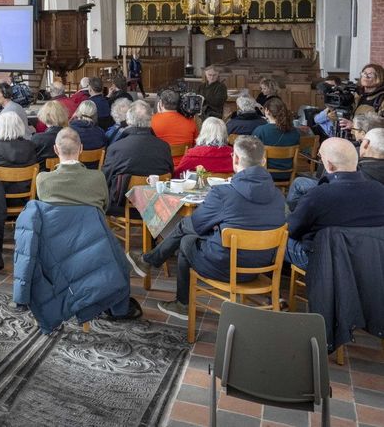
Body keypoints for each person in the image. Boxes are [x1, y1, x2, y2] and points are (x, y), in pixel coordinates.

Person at [125, 136, 286, 319]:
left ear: (235, 159)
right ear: (263, 160)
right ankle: (151, 262)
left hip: (225, 267)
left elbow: (195, 225)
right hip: (264, 266)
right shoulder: (279, 196)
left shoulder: (223, 193)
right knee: (191, 231)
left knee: (186, 238)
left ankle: (181, 301)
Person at [284, 137, 384, 270]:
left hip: (324, 262)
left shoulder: (318, 195)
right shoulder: (379, 189)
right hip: (369, 261)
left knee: (277, 238)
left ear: (329, 165)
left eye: (320, 156)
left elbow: (291, 230)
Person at [101, 101, 174, 214]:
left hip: (121, 208)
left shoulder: (116, 148)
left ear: (128, 120)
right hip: (157, 208)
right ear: (150, 120)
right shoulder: (164, 147)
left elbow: (105, 179)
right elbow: (170, 174)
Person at [36, 128, 109, 212]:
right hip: (89, 224)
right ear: (81, 148)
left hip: (56, 225)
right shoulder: (98, 178)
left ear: (55, 150)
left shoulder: (43, 179)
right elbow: (105, 207)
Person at [252, 97, 299, 181]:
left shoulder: (260, 130)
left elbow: (252, 154)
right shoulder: (295, 132)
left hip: (265, 174)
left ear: (267, 111)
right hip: (287, 173)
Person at [151, 89, 198, 162]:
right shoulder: (190, 122)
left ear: (160, 104)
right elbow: (196, 145)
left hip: (160, 166)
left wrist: (158, 115)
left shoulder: (152, 121)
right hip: (183, 166)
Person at [31, 100, 69, 165]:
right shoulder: (71, 136)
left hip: (41, 173)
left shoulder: (37, 138)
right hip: (65, 173)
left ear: (44, 116)